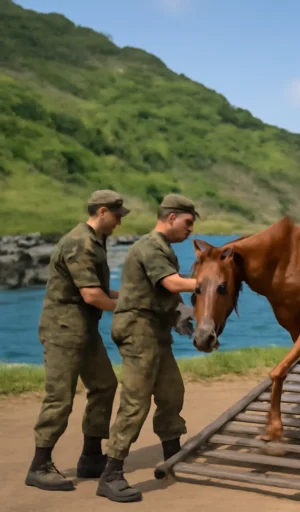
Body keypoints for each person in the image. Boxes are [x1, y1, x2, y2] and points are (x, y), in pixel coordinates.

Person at [96, 193, 199, 503]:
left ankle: (172, 455)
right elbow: (171, 283)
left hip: (155, 331)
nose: (190, 229)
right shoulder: (151, 247)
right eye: (188, 222)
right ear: (171, 218)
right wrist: (213, 280)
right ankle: (111, 473)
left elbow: (168, 289)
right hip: (138, 330)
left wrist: (181, 314)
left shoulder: (163, 248)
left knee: (171, 393)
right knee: (136, 401)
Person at [26, 190, 130, 492]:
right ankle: (39, 464)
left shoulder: (96, 241)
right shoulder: (80, 243)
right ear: (101, 211)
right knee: (60, 397)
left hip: (84, 330)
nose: (119, 223)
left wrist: (135, 297)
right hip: (63, 330)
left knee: (104, 385)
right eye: (116, 216)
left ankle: (91, 456)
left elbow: (101, 291)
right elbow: (91, 295)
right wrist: (133, 308)